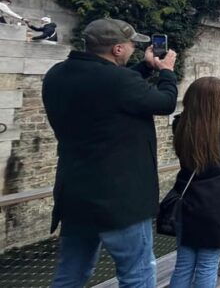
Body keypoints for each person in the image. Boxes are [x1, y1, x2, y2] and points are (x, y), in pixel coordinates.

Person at [43, 18, 178, 287]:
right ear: (117, 49)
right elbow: (165, 103)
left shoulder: (56, 74)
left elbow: (110, 89)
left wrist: (144, 67)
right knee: (137, 272)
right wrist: (166, 72)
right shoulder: (118, 80)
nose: (133, 49)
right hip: (119, 200)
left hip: (75, 194)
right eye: (131, 45)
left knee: (72, 273)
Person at [169, 77, 220, 288]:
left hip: (187, 197)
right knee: (207, 263)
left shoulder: (180, 123)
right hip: (216, 202)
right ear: (217, 100)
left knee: (184, 264)